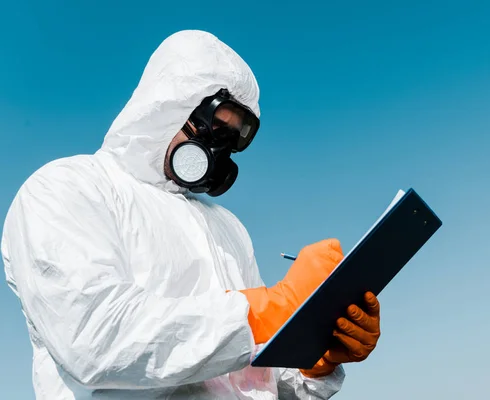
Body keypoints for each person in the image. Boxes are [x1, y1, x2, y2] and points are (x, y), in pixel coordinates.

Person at [1, 30, 382, 399]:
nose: (218, 149)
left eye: (233, 138)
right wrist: (276, 305)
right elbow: (95, 339)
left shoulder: (227, 227)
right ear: (169, 106)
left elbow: (256, 380)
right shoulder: (66, 188)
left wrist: (314, 363)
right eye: (215, 126)